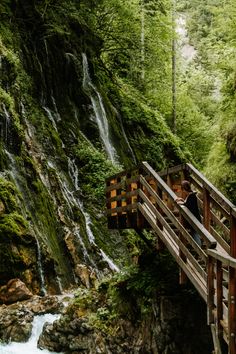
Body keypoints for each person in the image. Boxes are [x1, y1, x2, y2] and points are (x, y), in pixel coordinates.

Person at [175, 180, 202, 247]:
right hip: (193, 219)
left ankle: (200, 252)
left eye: (182, 189)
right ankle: (199, 252)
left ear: (184, 188)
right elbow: (189, 204)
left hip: (194, 220)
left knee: (195, 235)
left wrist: (182, 203)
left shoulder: (192, 196)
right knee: (194, 235)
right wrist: (182, 200)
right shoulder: (191, 195)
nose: (182, 191)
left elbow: (189, 206)